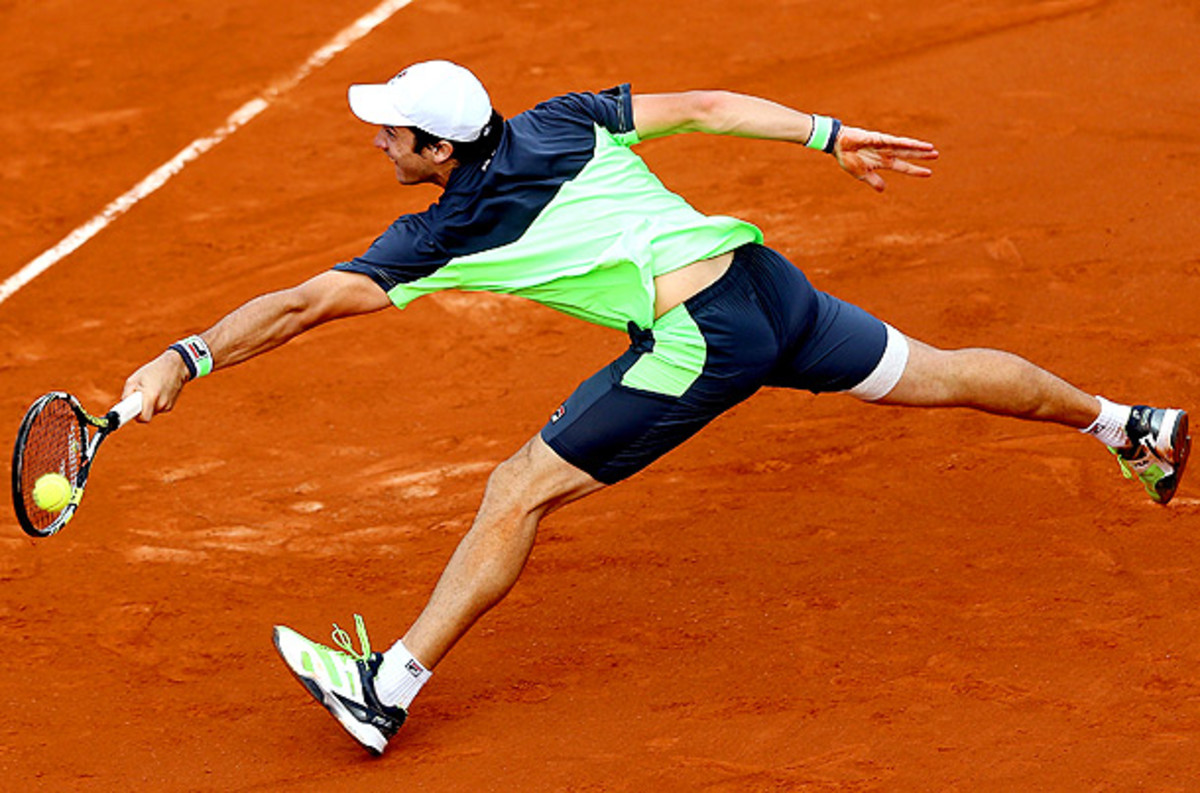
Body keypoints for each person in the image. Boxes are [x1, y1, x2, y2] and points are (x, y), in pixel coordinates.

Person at [122, 59, 1190, 755]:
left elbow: (308, 302)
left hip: (704, 336)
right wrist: (827, 135)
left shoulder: (446, 228)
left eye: (391, 134)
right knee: (940, 368)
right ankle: (1128, 422)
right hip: (766, 284)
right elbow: (715, 109)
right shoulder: (563, 119)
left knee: (518, 488)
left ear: (438, 152)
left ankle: (386, 686)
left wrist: (188, 356)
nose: (378, 144)